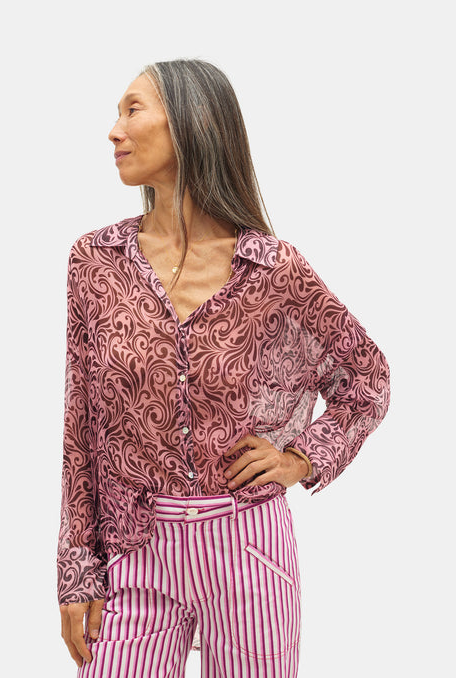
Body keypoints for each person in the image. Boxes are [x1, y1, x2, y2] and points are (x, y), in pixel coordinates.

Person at [57, 58, 390, 678]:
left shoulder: (273, 268)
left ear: (193, 125)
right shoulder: (94, 263)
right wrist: (76, 572)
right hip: (133, 554)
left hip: (248, 549)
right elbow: (81, 427)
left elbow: (367, 378)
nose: (113, 130)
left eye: (133, 110)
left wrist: (300, 458)